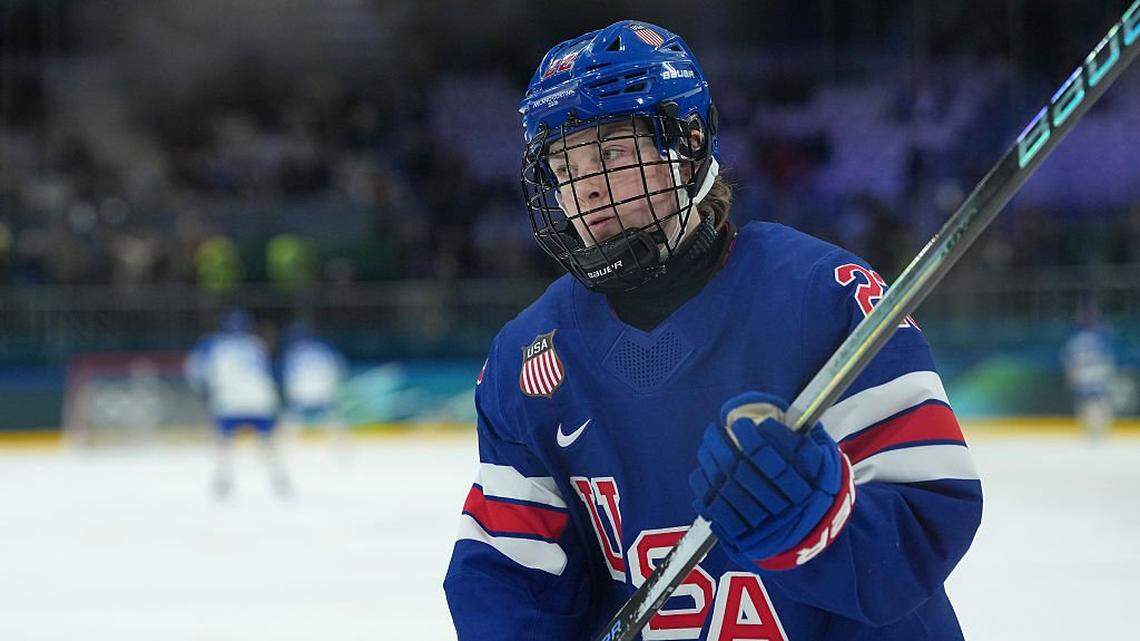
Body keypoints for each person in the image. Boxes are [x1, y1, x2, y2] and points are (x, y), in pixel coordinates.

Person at [444, 21, 981, 641]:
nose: (584, 185)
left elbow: (929, 509)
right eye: (563, 165)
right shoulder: (526, 356)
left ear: (689, 142)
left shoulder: (822, 295)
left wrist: (817, 521)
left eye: (611, 152)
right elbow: (512, 574)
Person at [185, 309, 292, 499]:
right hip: (260, 401)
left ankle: (223, 481)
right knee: (267, 443)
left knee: (224, 443)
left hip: (229, 402)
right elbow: (270, 372)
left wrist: (205, 395)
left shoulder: (212, 344)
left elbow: (197, 373)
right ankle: (279, 479)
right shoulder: (256, 344)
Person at [279, 321, 350, 445]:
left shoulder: (292, 351)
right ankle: (343, 445)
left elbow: (286, 376)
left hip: (301, 394)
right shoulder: (324, 348)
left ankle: (285, 446)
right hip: (323, 392)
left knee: (290, 420)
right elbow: (339, 368)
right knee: (333, 419)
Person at [1062, 303, 1117, 438]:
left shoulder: (1100, 333)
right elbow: (1069, 357)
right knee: (1092, 401)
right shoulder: (1094, 334)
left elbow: (1108, 355)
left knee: (1095, 401)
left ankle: (1097, 429)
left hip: (1093, 372)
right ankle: (1094, 429)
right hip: (1089, 372)